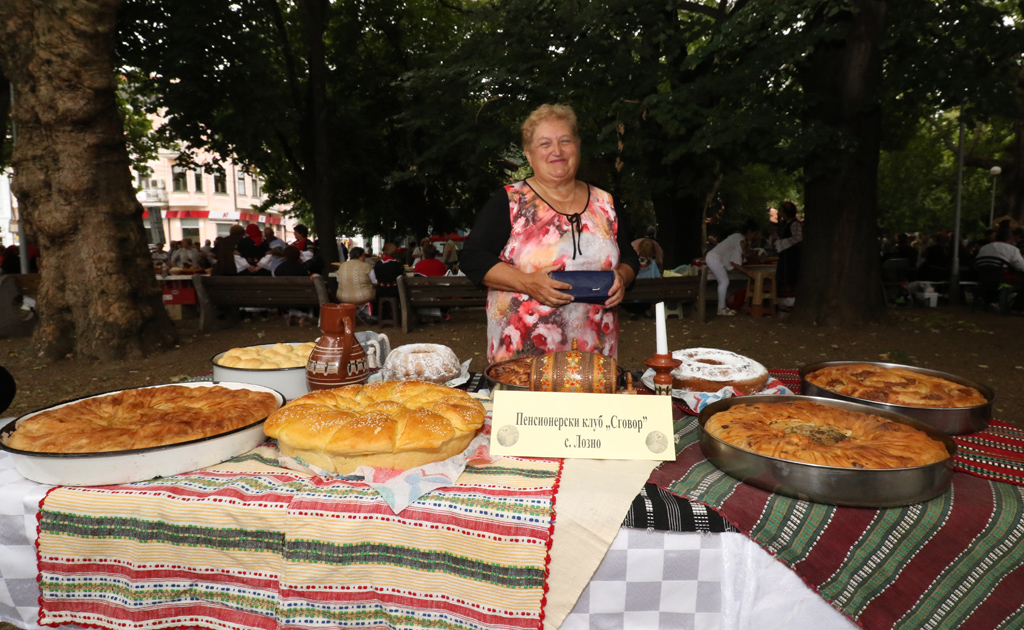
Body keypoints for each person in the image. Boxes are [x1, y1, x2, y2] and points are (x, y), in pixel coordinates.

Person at [461, 103, 639, 363]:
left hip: (595, 360)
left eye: (565, 141)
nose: (557, 151)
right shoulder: (510, 201)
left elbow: (630, 258)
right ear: (529, 154)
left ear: (577, 147)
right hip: (523, 361)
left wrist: (622, 277)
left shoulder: (606, 202)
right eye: (545, 144)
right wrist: (527, 282)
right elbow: (473, 258)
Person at [705, 221, 761, 316]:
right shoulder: (740, 241)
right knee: (724, 282)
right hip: (714, 259)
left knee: (723, 282)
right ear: (749, 232)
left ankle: (722, 307)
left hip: (714, 258)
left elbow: (735, 255)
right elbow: (734, 263)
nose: (755, 236)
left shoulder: (738, 237)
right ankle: (721, 309)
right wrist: (747, 272)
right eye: (755, 234)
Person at [769, 201, 802, 309]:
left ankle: (790, 301)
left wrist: (784, 243)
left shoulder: (795, 224)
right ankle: (784, 302)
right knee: (783, 275)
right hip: (785, 255)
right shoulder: (785, 224)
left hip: (792, 255)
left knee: (791, 276)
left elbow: (798, 238)